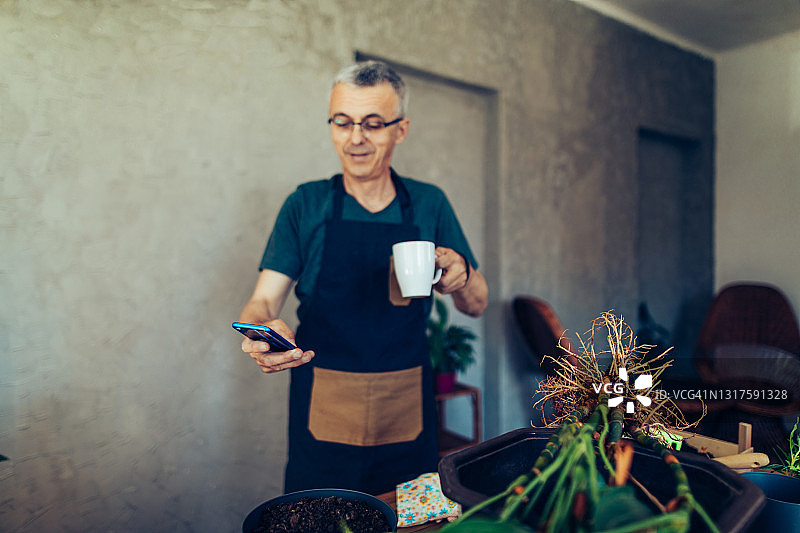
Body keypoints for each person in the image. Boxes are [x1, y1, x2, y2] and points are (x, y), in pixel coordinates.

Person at [238, 60, 489, 495]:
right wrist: (260, 332)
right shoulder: (306, 204)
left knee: (409, 522)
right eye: (343, 121)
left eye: (373, 124)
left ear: (401, 129)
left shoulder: (429, 203)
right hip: (323, 418)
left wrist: (461, 274)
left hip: (406, 414)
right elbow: (263, 300)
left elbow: (477, 303)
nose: (355, 138)